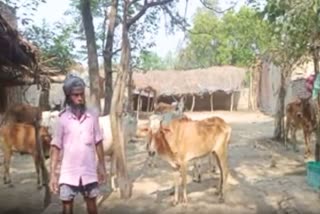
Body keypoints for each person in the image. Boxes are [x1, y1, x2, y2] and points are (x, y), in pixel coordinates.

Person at [49, 74, 106, 214]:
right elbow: (55, 147)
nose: (80, 98)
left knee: (92, 204)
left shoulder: (92, 116)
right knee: (67, 206)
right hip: (68, 172)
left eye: (82, 94)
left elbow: (98, 142)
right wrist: (53, 175)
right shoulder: (62, 119)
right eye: (76, 95)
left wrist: (102, 166)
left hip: (89, 170)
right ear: (69, 97)